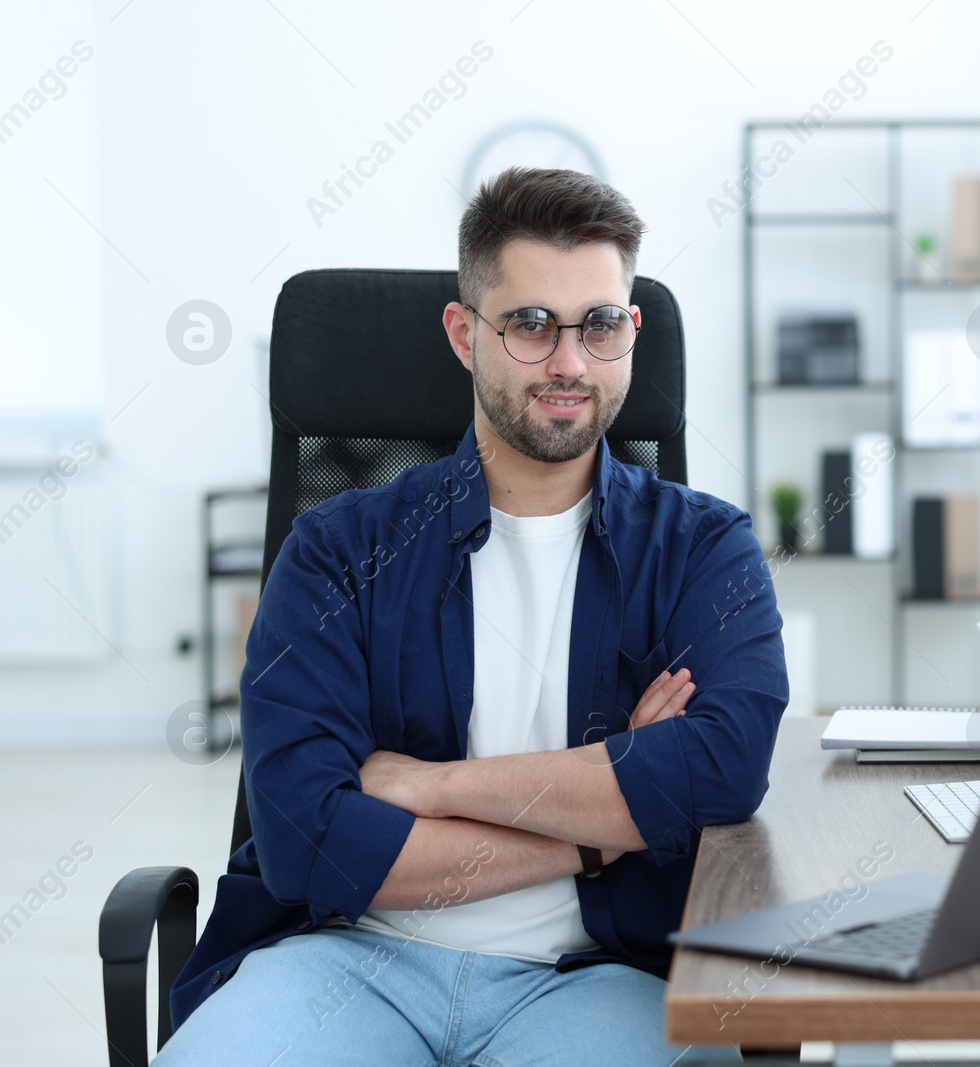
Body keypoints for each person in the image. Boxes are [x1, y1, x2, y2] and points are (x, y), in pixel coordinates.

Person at [155, 167, 786, 1065]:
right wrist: (606, 832)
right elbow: (309, 844)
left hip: (597, 975)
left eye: (599, 323)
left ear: (630, 332)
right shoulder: (334, 551)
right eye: (531, 324)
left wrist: (435, 784)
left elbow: (721, 771)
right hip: (344, 961)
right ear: (466, 333)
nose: (570, 361)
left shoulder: (703, 549)